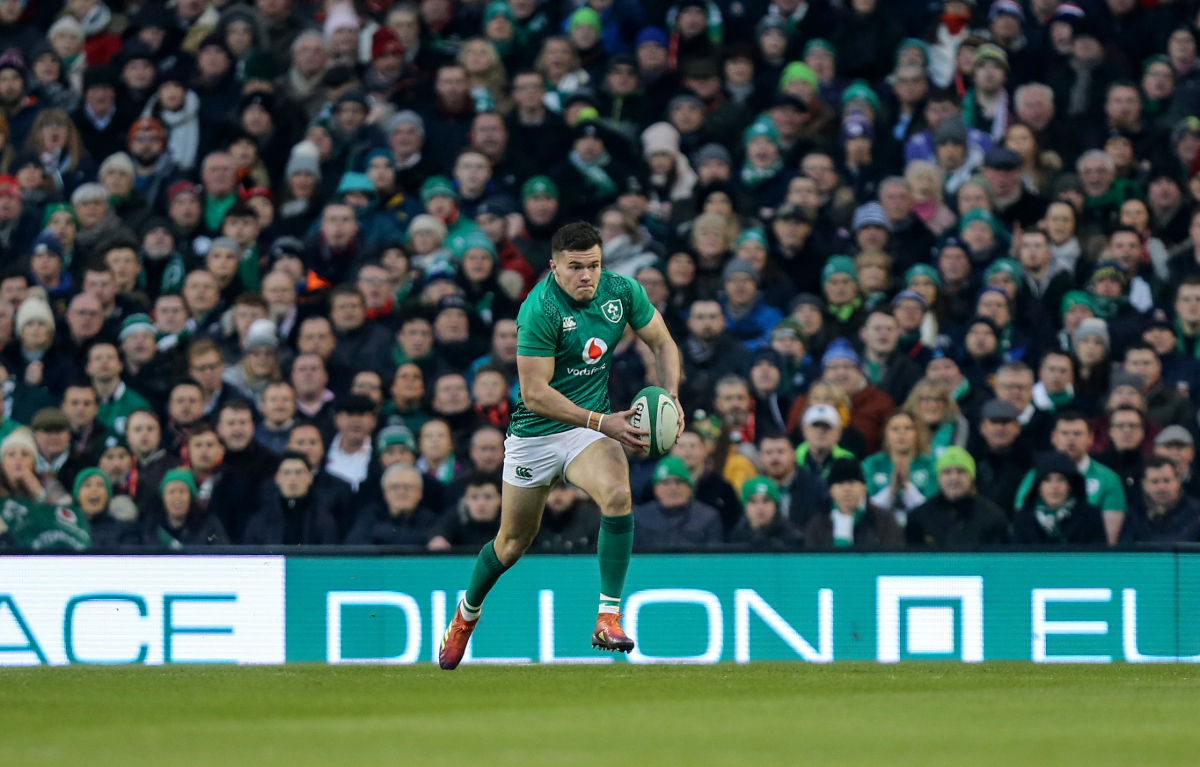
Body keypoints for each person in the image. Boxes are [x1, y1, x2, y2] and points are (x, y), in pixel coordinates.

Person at [439, 223, 682, 669]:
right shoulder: (539, 310)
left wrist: (671, 396)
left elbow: (662, 342)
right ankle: (466, 613)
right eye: (575, 268)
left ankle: (608, 616)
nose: (586, 275)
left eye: (593, 265)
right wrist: (603, 420)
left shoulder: (622, 292)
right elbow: (535, 394)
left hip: (589, 432)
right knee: (512, 543)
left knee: (617, 494)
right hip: (536, 434)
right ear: (554, 267)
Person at [1013, 411, 1128, 544]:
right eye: (1065, 433)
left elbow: (1109, 540)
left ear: (1091, 438)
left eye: (1077, 433)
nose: (1071, 439)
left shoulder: (1109, 478)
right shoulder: (1034, 476)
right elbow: (1021, 517)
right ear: (1053, 437)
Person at [906, 447, 1010, 549]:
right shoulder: (919, 517)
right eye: (947, 472)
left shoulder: (993, 516)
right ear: (938, 478)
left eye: (961, 471)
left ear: (972, 477)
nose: (954, 478)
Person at [803, 457, 903, 550]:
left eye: (852, 483)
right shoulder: (817, 525)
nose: (847, 489)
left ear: (864, 488)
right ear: (831, 491)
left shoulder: (884, 521)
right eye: (840, 483)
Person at [243, 452, 340, 545]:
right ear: (277, 478)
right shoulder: (260, 522)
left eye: (298, 472)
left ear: (310, 478)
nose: (292, 478)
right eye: (287, 472)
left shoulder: (324, 521)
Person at [1012, 452, 1107, 546]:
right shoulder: (1023, 519)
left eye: (1061, 479)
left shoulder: (1089, 517)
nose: (1054, 486)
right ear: (1039, 486)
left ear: (1070, 485)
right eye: (1047, 480)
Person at [632, 456, 723, 552]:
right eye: (666, 483)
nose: (673, 488)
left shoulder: (708, 517)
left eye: (679, 482)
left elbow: (714, 559)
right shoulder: (640, 518)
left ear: (689, 488)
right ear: (656, 489)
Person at [1120, 457, 1200, 544]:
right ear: (1144, 485)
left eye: (1167, 481)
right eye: (1155, 482)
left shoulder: (1196, 513)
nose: (1161, 487)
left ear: (1177, 482)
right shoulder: (1134, 515)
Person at [728, 476, 803, 550]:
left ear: (775, 506)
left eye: (766, 501)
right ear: (745, 507)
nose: (760, 507)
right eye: (753, 501)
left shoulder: (792, 538)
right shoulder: (736, 536)